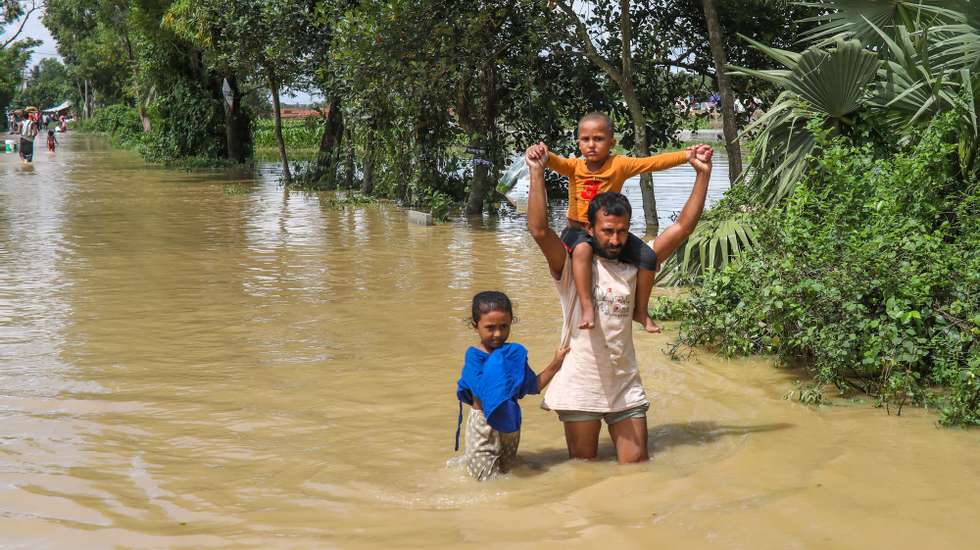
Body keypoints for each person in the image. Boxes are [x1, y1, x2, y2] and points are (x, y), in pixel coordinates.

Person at [524, 140, 713, 464]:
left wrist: (702, 176)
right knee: (584, 469)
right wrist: (537, 173)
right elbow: (540, 230)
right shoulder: (571, 265)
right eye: (607, 231)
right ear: (590, 229)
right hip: (580, 382)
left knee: (637, 465)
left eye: (622, 232)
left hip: (624, 383)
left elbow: (682, 228)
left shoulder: (634, 264)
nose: (614, 239)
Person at [532, 112, 697, 333]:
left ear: (612, 142)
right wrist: (540, 152)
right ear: (578, 142)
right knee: (581, 250)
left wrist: (686, 155)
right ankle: (587, 306)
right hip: (577, 230)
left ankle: (641, 310)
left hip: (609, 233)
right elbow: (551, 160)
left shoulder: (619, 165)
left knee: (648, 257)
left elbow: (652, 163)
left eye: (598, 139)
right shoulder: (573, 167)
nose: (591, 145)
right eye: (585, 139)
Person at [455, 291, 569, 480]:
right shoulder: (474, 357)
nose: (498, 334)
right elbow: (480, 389)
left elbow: (534, 386)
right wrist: (500, 362)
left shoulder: (513, 356)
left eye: (504, 326)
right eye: (490, 328)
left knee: (508, 472)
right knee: (483, 479)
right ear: (476, 326)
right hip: (483, 423)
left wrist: (556, 363)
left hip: (510, 422)